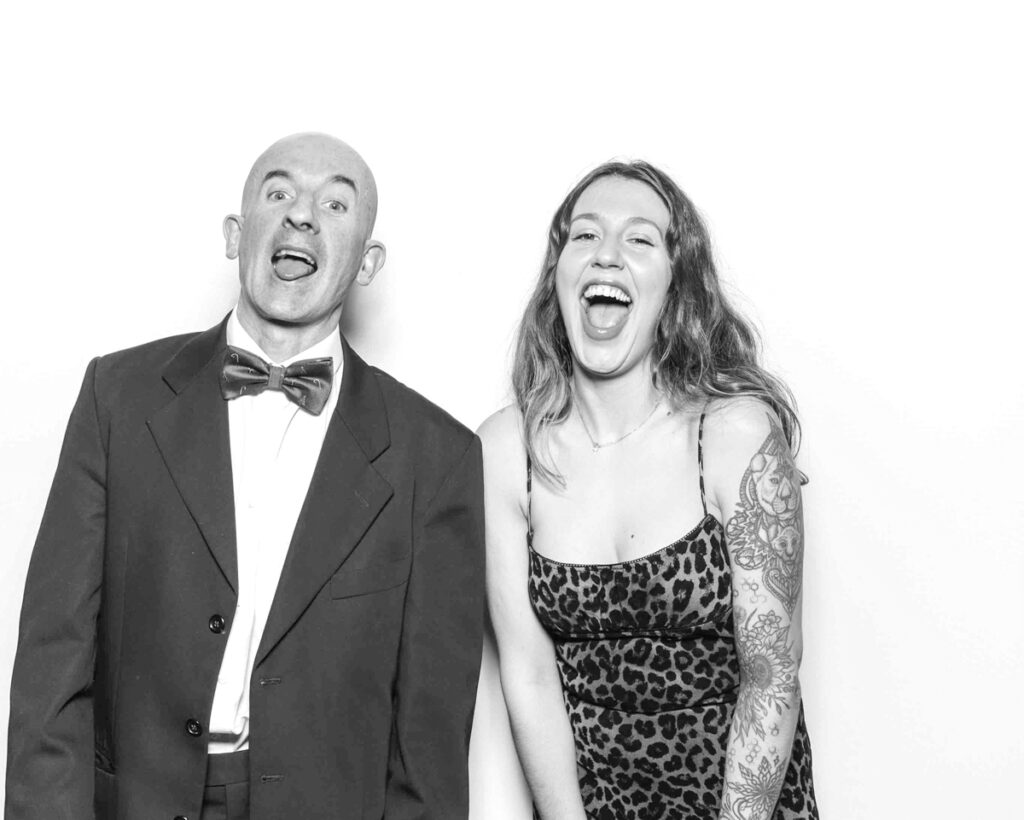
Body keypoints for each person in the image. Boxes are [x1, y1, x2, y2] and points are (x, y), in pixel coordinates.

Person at [6, 133, 485, 820]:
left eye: (336, 203)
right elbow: (52, 664)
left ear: (368, 262)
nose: (302, 215)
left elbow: (430, 748)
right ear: (237, 235)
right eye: (280, 192)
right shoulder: (119, 397)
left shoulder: (436, 457)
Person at [480, 161, 818, 819]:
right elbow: (527, 675)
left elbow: (771, 675)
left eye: (638, 239)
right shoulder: (503, 451)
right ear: (558, 276)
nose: (606, 253)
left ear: (675, 285)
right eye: (584, 236)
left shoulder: (733, 436)